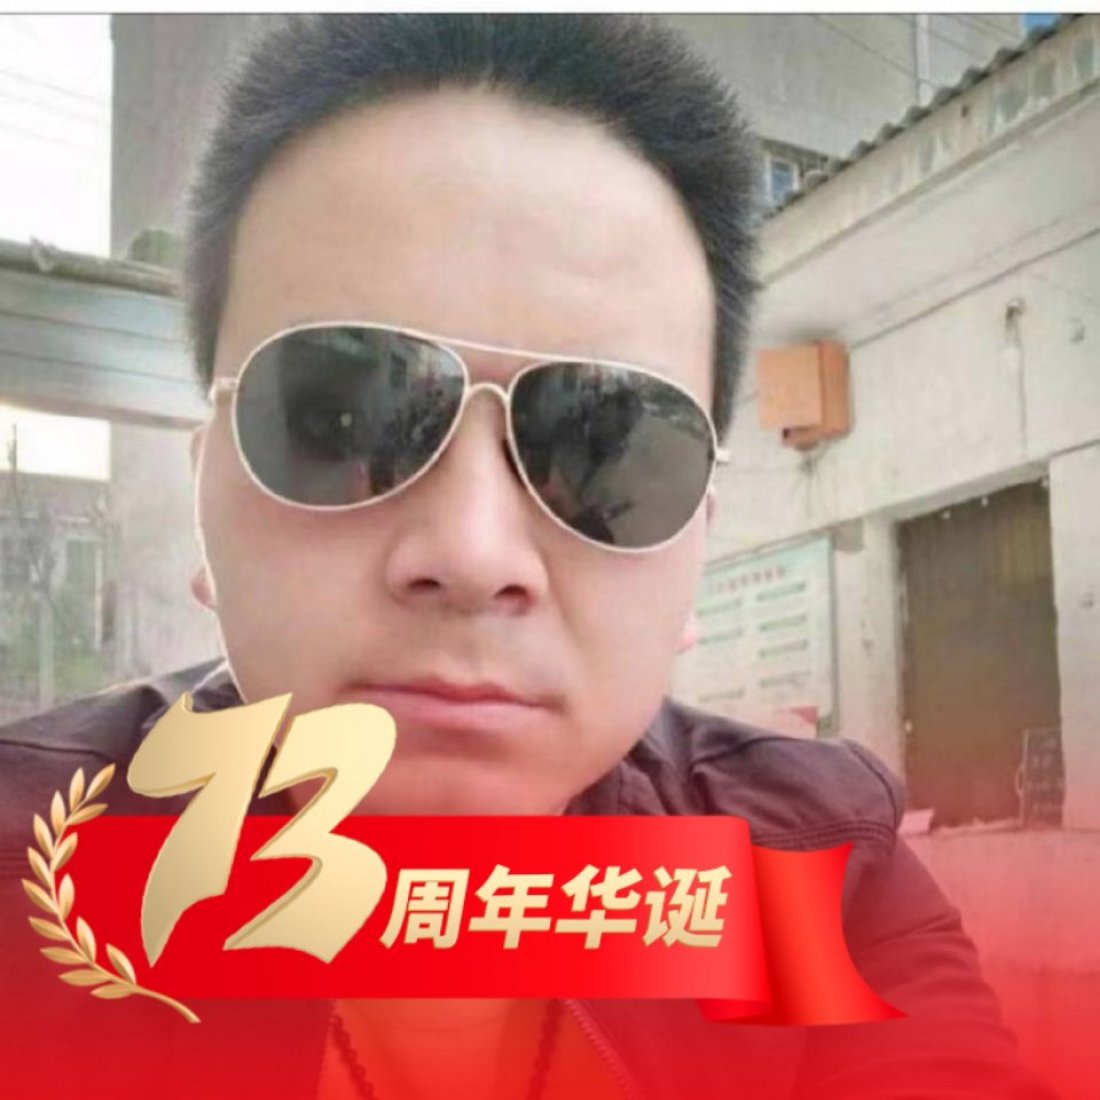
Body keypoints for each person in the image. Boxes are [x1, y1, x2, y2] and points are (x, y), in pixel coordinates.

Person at [0, 14, 1056, 1100]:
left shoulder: (819, 871)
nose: (470, 553)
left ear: (696, 542)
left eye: (604, 445)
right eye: (341, 419)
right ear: (204, 495)